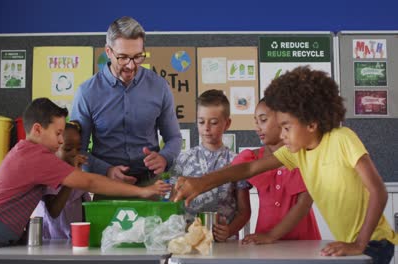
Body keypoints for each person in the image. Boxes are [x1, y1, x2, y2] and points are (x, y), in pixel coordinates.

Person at [174, 66, 397, 263]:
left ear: (311, 123)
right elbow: (249, 168)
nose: (282, 134)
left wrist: (359, 244)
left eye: (287, 127)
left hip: (374, 242)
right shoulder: (298, 153)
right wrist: (201, 183)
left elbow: (379, 191)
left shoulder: (341, 138)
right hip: (348, 242)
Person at [0, 98, 171, 264]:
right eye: (57, 133)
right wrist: (143, 192)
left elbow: (57, 204)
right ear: (37, 129)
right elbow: (90, 182)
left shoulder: (29, 154)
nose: (59, 140)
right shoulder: (34, 155)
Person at [70, 16, 182, 200]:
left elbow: (174, 138)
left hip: (150, 185)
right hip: (107, 186)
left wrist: (164, 157)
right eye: (122, 57)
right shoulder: (87, 93)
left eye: (138, 56)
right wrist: (105, 170)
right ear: (108, 51)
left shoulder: (159, 87)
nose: (131, 66)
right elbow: (76, 151)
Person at [232, 98, 321, 244]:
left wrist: (272, 235)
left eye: (263, 120)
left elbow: (304, 204)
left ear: (283, 120)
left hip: (303, 244)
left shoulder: (305, 156)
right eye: (256, 121)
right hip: (263, 242)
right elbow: (240, 204)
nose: (257, 127)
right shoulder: (251, 158)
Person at [169, 89, 251, 242]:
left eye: (213, 122)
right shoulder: (183, 159)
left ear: (227, 124)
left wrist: (229, 230)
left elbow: (244, 211)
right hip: (190, 241)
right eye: (201, 122)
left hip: (226, 243)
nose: (206, 128)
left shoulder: (236, 162)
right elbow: (173, 204)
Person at [36, 121, 91, 239]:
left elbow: (85, 208)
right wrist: (72, 177)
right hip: (50, 243)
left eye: (78, 149)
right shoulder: (49, 175)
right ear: (53, 149)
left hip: (73, 240)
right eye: (68, 149)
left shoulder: (80, 174)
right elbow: (53, 211)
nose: (74, 154)